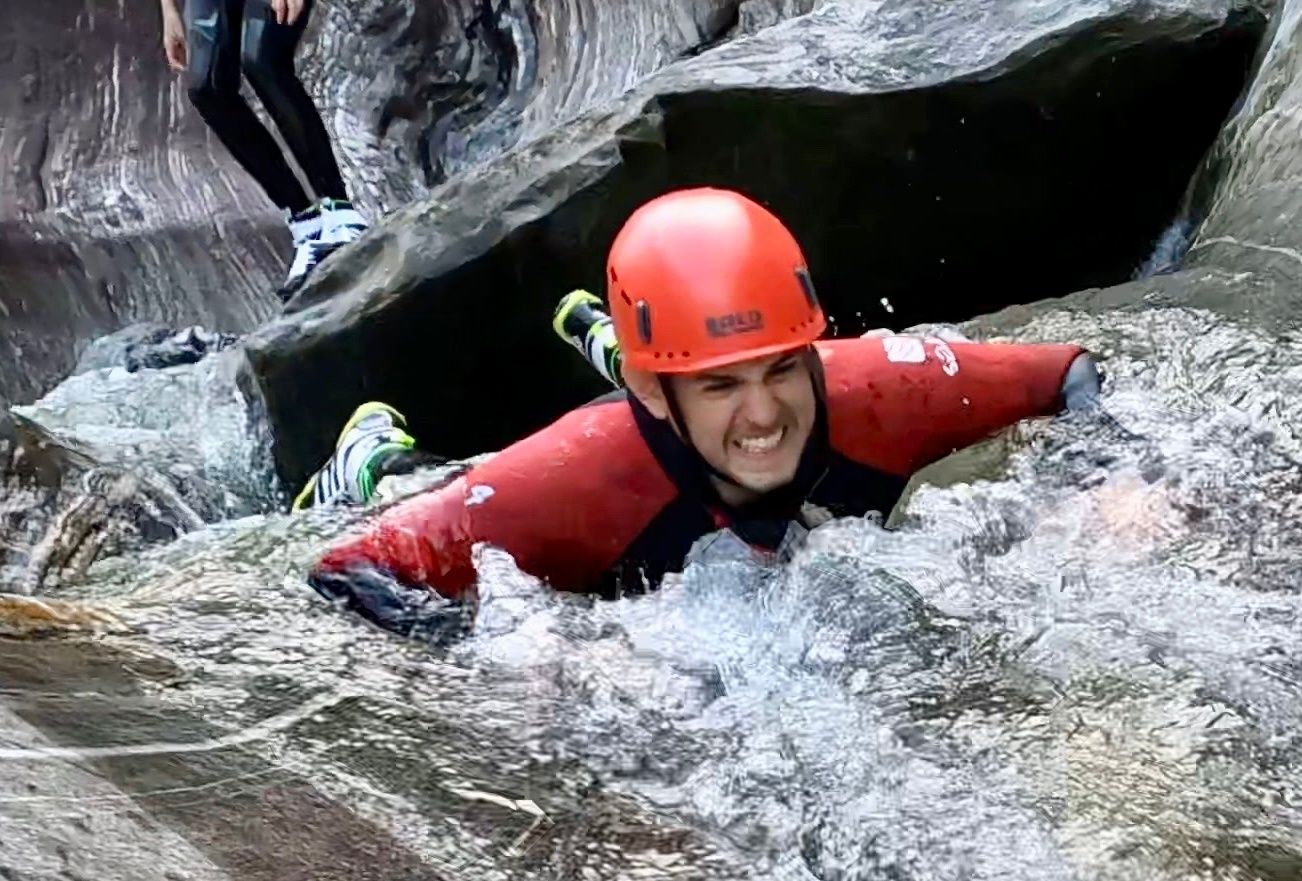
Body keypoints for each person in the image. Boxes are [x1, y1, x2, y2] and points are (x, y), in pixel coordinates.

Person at [304, 188, 1104, 637]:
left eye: (782, 368)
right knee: (429, 485)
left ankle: (609, 336)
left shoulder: (873, 386)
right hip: (603, 439)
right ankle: (373, 456)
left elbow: (1067, 372)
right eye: (723, 382)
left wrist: (1107, 482)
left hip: (660, 389)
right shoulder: (580, 472)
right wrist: (528, 653)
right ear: (657, 389)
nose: (767, 413)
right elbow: (349, 573)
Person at [127, 0, 367, 300]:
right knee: (206, 87)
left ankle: (340, 211)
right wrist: (168, 4)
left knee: (263, 59)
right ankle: (306, 224)